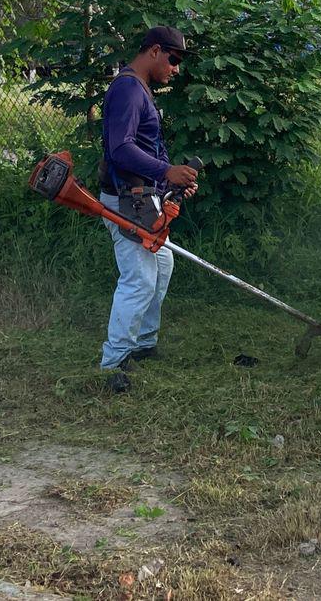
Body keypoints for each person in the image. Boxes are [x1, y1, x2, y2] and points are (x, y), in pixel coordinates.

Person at [98, 25, 199, 393]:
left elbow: (149, 145)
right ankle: (113, 363)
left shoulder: (140, 89)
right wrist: (164, 171)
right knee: (138, 278)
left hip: (143, 195)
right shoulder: (127, 88)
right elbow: (120, 149)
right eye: (173, 60)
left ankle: (142, 343)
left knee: (162, 264)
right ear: (154, 51)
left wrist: (172, 180)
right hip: (126, 199)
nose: (176, 68)